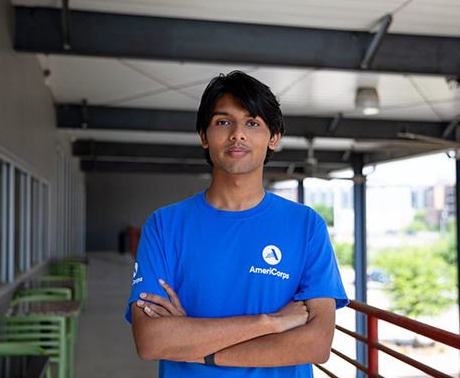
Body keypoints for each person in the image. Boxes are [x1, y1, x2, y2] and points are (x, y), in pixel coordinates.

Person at [125, 70, 348, 377]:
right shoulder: (164, 225)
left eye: (252, 122)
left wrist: (196, 346)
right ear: (204, 136)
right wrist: (269, 323)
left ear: (274, 138)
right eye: (223, 122)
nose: (237, 134)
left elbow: (316, 344)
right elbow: (151, 341)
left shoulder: (306, 226)